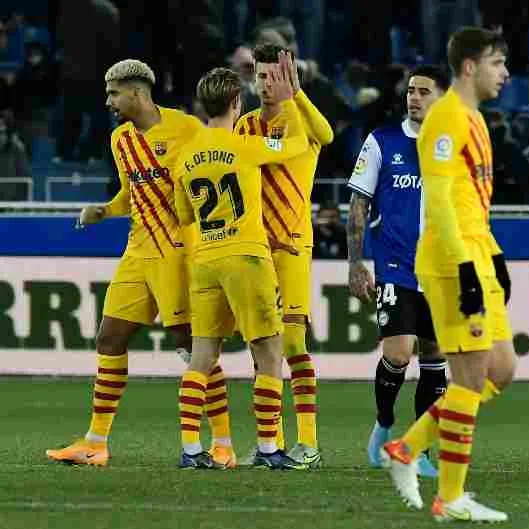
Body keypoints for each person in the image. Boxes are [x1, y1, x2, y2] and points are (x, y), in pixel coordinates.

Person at [46, 59, 236, 469]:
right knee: (109, 339)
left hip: (178, 254)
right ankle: (96, 442)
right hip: (137, 253)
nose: (108, 101)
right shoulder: (120, 140)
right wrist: (105, 209)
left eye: (114, 93)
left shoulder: (187, 129)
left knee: (192, 349)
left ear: (137, 92)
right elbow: (132, 194)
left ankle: (223, 443)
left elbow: (218, 172)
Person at [381, 27, 515, 522]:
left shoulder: (476, 120)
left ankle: (406, 449)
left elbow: (470, 200)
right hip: (449, 260)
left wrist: (493, 256)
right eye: (497, 63)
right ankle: (450, 496)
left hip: (477, 251)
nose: (504, 74)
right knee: (468, 379)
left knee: (501, 370)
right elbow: (437, 201)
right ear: (469, 67)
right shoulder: (445, 119)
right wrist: (466, 268)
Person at [173, 59, 309, 469]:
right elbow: (298, 146)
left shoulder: (183, 156)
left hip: (205, 260)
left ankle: (191, 449)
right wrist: (290, 103)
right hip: (247, 256)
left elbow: (184, 215)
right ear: (236, 102)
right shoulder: (246, 145)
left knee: (201, 357)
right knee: (269, 353)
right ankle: (269, 449)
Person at [346, 65, 450, 477]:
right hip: (396, 265)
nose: (415, 97)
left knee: (434, 354)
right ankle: (384, 424)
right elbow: (358, 206)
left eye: (424, 91)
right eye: (411, 91)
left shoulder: (453, 146)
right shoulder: (381, 142)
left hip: (441, 271)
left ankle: (420, 448)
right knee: (398, 352)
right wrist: (356, 262)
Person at [234, 43, 334, 468]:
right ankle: (269, 444)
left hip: (293, 242)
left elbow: (328, 136)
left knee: (292, 340)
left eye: (274, 76)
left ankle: (308, 443)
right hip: (256, 246)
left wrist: (299, 94)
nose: (265, 84)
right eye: (260, 76)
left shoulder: (302, 119)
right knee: (262, 346)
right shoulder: (244, 126)